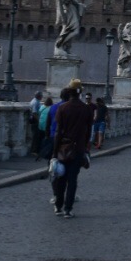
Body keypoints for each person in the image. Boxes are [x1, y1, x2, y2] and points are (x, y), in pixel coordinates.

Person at [51, 84, 94, 217]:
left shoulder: (62, 108)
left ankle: (58, 206)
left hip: (63, 148)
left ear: (69, 93)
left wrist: (54, 152)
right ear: (80, 93)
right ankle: (68, 209)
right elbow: (88, 131)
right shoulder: (86, 109)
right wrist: (86, 147)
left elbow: (58, 131)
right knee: (72, 180)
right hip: (78, 148)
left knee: (60, 178)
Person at [27, 91, 45, 156]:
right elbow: (34, 113)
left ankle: (35, 150)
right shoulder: (35, 102)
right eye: (41, 96)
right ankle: (34, 151)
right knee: (35, 136)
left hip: (34, 120)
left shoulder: (35, 101)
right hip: (35, 121)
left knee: (37, 136)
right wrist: (39, 120)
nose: (42, 97)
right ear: (39, 96)